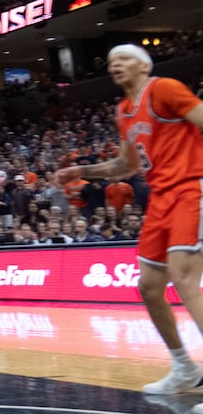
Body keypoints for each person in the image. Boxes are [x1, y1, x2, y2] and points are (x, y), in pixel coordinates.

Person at [55, 44, 203, 401]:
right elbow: (128, 165)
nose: (114, 65)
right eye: (109, 62)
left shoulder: (164, 88)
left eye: (122, 59)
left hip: (190, 190)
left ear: (144, 64)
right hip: (159, 199)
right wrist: (83, 171)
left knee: (184, 278)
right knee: (149, 287)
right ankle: (185, 368)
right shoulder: (122, 110)